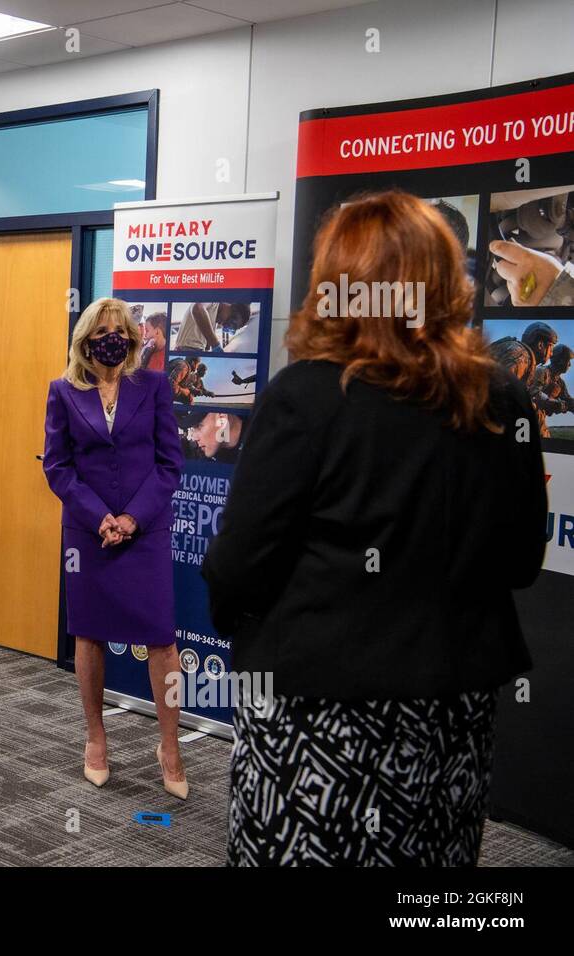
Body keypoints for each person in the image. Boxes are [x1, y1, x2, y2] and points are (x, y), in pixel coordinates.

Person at [204, 191, 546, 866]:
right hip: (451, 710)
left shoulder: (306, 395)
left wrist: (243, 627)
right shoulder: (501, 397)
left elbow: (238, 562)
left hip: (316, 708)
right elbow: (519, 560)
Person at [42, 297, 186, 796]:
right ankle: (96, 738)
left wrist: (131, 518)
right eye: (103, 330)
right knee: (89, 635)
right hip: (89, 535)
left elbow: (170, 464)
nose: (113, 338)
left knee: (161, 641)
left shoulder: (154, 386)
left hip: (145, 530)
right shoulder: (63, 391)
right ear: (85, 340)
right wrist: (100, 517)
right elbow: (57, 467)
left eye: (121, 330)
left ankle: (169, 745)